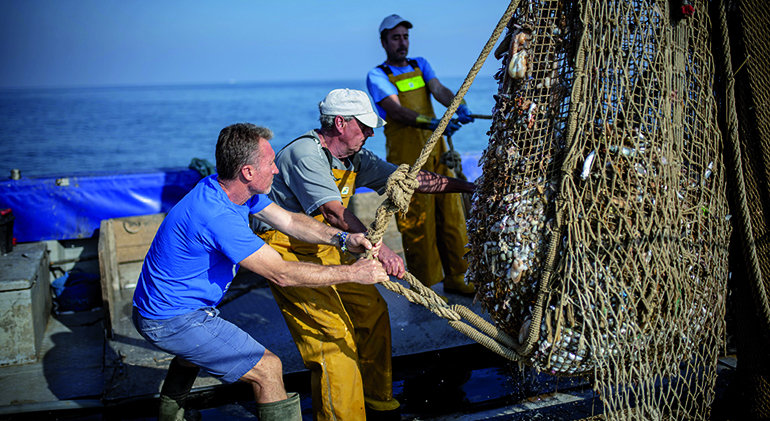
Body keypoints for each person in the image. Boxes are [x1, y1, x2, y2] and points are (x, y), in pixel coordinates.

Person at [131, 123, 390, 421]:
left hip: (164, 311)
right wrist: (353, 274)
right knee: (267, 370)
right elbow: (282, 273)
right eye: (270, 164)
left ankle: (169, 416)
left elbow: (290, 222)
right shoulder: (219, 217)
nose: (277, 171)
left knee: (194, 352)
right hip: (171, 320)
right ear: (248, 172)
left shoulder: (226, 188)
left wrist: (343, 239)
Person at [257, 88, 475, 421]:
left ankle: (376, 399)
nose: (371, 133)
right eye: (365, 126)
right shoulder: (306, 154)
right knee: (332, 336)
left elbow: (410, 181)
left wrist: (470, 187)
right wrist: (382, 249)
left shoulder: (356, 157)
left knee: (372, 311)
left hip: (331, 244)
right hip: (286, 250)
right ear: (340, 123)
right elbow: (334, 213)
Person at [367, 14, 477, 296]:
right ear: (383, 42)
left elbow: (438, 89)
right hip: (407, 158)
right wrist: (434, 123)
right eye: (395, 38)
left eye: (405, 37)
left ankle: (458, 276)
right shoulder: (378, 75)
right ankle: (424, 284)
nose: (402, 43)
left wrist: (458, 104)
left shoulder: (421, 64)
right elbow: (397, 111)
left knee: (451, 214)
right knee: (417, 220)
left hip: (436, 150)